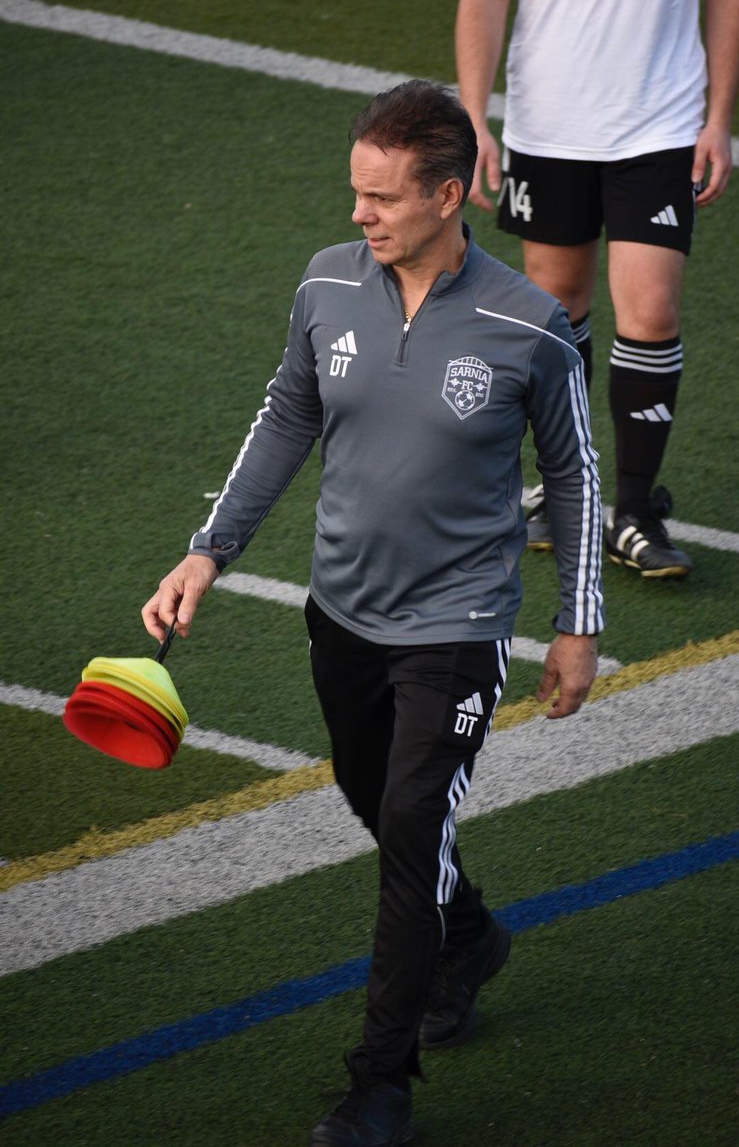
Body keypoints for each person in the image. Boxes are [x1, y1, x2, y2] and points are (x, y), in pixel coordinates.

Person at [142, 80, 604, 1147]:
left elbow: (573, 473)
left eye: (382, 198)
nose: (360, 214)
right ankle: (470, 936)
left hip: (456, 626)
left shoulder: (527, 324)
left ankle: (379, 1086)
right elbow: (286, 415)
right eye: (356, 192)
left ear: (448, 197)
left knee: (406, 827)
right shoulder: (325, 286)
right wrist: (208, 551)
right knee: (374, 798)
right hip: (342, 614)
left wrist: (575, 624)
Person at [451, 0, 739, 577]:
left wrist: (720, 118)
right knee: (558, 305)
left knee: (651, 309)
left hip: (661, 123)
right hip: (548, 126)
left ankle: (637, 512)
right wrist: (475, 120)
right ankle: (566, 491)